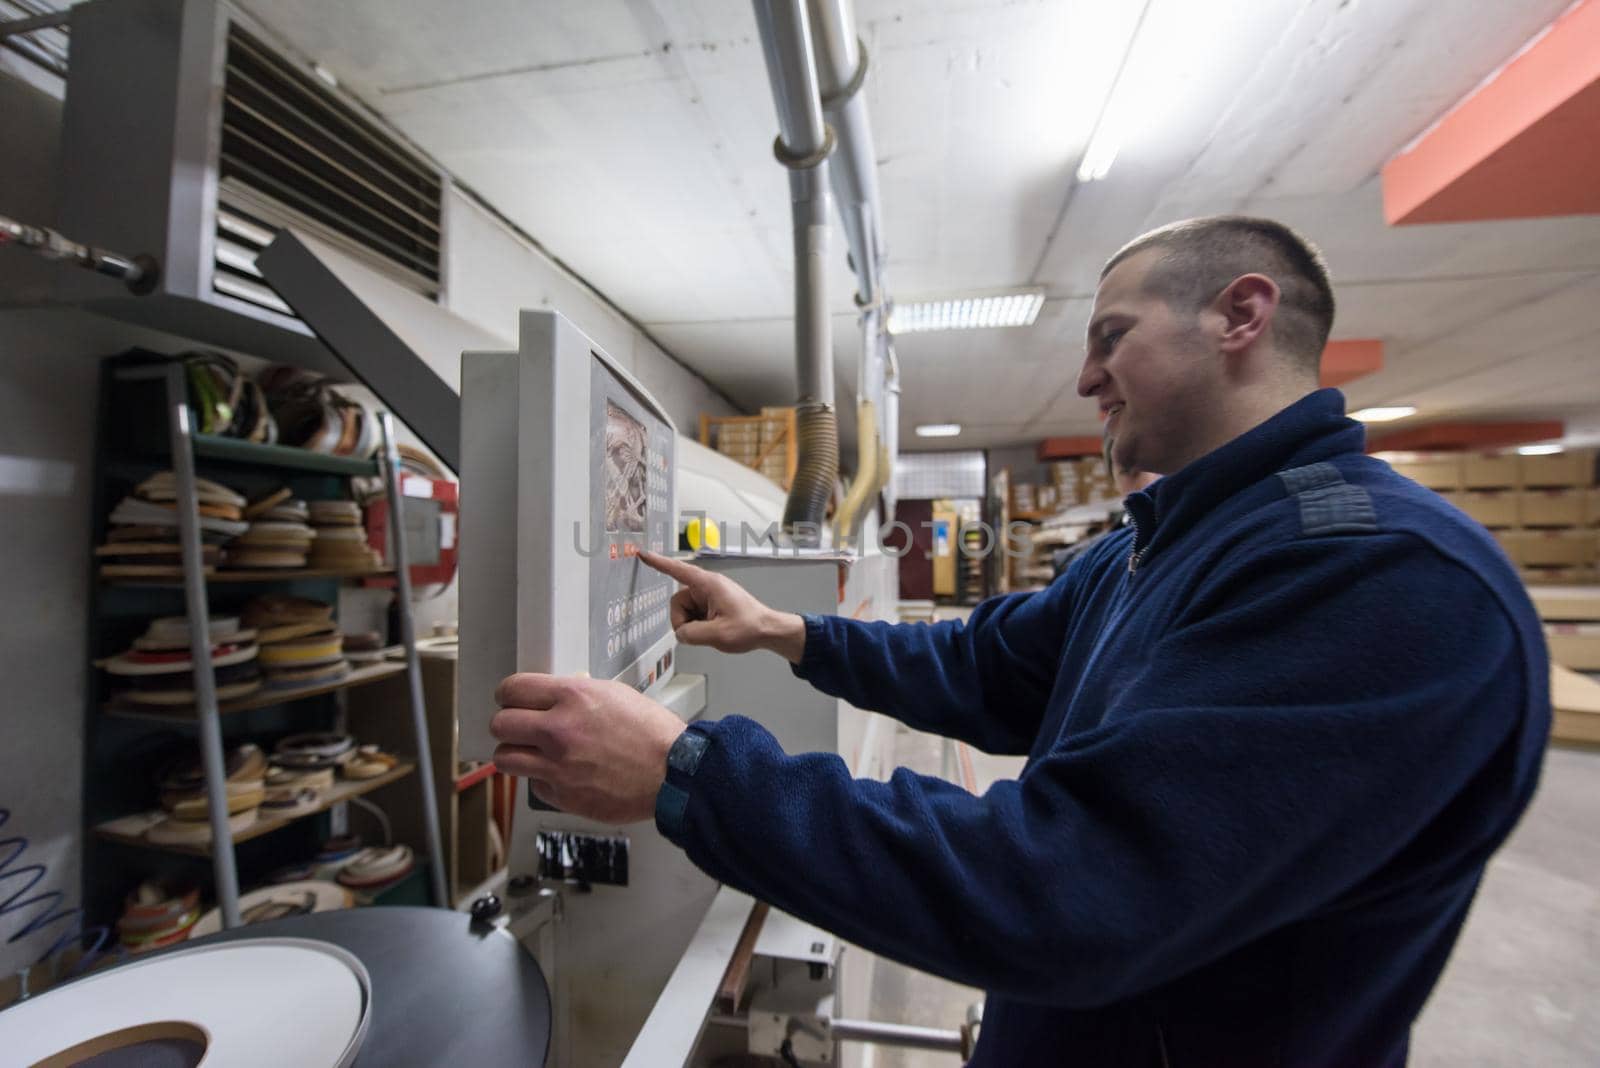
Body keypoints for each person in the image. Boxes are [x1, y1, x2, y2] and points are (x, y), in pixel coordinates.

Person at [491, 215, 1548, 1067]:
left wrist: (689, 775)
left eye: (1110, 336)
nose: (1086, 376)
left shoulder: (1377, 577)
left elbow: (1070, 888)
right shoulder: (1164, 537)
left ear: (1241, 314)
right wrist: (786, 631)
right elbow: (984, 665)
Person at [1051, 432, 1159, 577]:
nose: (1151, 482)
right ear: (1114, 481)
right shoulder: (1081, 565)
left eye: (1160, 468)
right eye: (1130, 471)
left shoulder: (1196, 550)